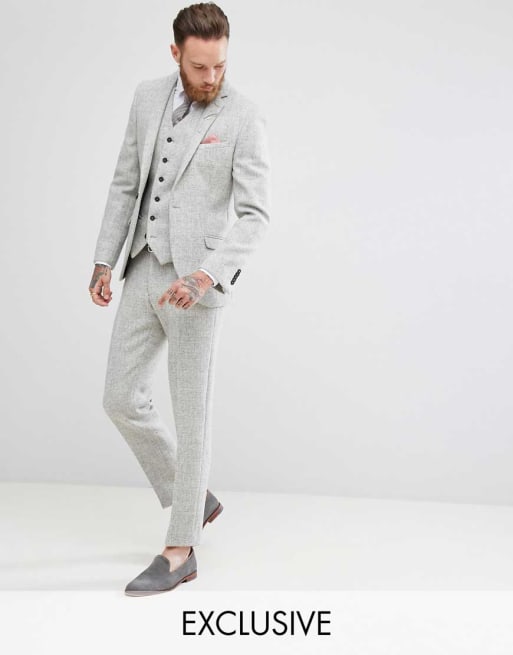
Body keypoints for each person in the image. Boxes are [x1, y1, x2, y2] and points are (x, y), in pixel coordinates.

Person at [88, 2, 270, 596]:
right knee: (119, 397)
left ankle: (180, 548)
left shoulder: (243, 116)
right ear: (176, 54)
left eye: (219, 65)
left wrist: (206, 276)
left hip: (196, 285)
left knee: (193, 419)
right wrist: (105, 259)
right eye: (198, 67)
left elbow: (255, 214)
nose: (211, 77)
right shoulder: (146, 98)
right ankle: (194, 496)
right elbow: (125, 182)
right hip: (143, 268)